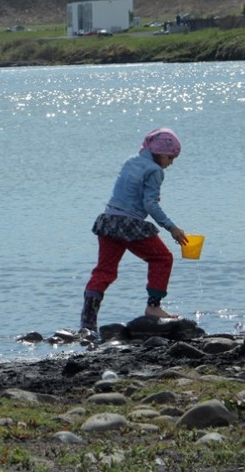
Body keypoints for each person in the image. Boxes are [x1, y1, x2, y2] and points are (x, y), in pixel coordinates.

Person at [80, 127, 189, 334]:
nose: (171, 163)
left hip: (109, 221)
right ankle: (153, 307)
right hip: (129, 224)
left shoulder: (131, 161)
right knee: (162, 258)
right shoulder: (154, 171)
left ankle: (87, 323)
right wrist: (171, 228)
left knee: (105, 271)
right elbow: (150, 204)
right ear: (158, 153)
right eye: (170, 157)